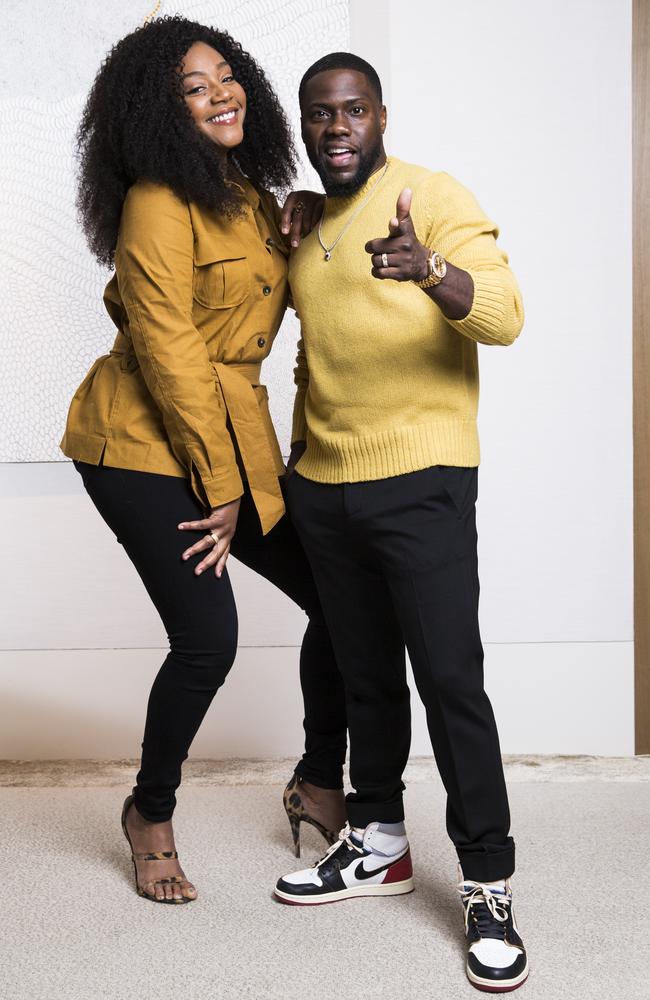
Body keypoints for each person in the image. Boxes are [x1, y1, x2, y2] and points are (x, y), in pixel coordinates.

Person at [60, 17, 348, 905]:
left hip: (234, 432)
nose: (221, 92)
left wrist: (312, 209)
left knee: (344, 600)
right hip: (139, 445)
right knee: (208, 636)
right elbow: (171, 351)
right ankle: (150, 812)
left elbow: (284, 297)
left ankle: (315, 782)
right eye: (194, 85)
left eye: (228, 76)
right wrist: (222, 490)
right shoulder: (156, 199)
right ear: (158, 108)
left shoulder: (252, 198)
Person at [274, 53, 528, 993]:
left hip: (421, 477)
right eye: (318, 117)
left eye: (351, 112)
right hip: (326, 485)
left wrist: (432, 270)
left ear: (380, 115)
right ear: (305, 128)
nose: (335, 129)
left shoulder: (431, 193)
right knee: (364, 673)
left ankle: (490, 883)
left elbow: (504, 316)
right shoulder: (303, 225)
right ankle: (376, 841)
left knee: (451, 681)